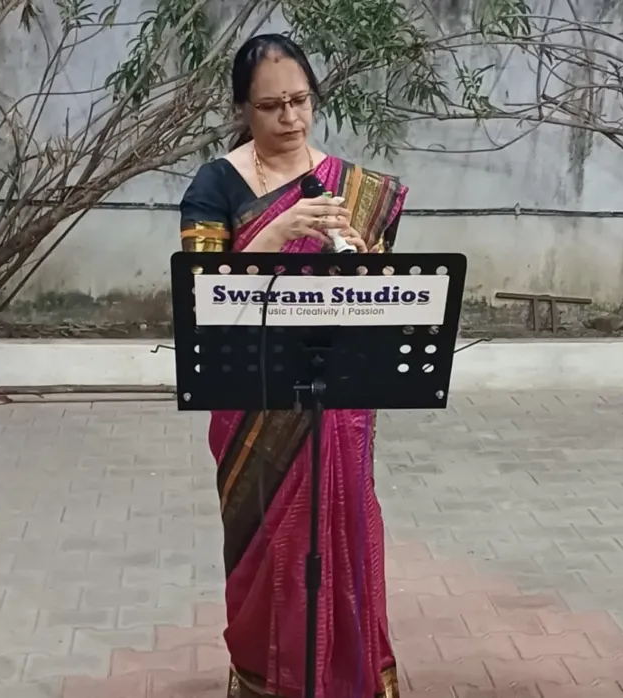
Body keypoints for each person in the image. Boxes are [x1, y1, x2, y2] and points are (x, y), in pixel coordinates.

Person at [178, 33, 407, 698]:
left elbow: (382, 303)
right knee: (268, 551)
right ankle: (266, 679)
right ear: (243, 108)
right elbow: (201, 295)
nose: (291, 118)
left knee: (348, 534)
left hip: (338, 399)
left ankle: (351, 678)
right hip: (253, 402)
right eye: (272, 105)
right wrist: (276, 233)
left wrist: (366, 266)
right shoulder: (216, 184)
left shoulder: (354, 188)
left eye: (301, 101)